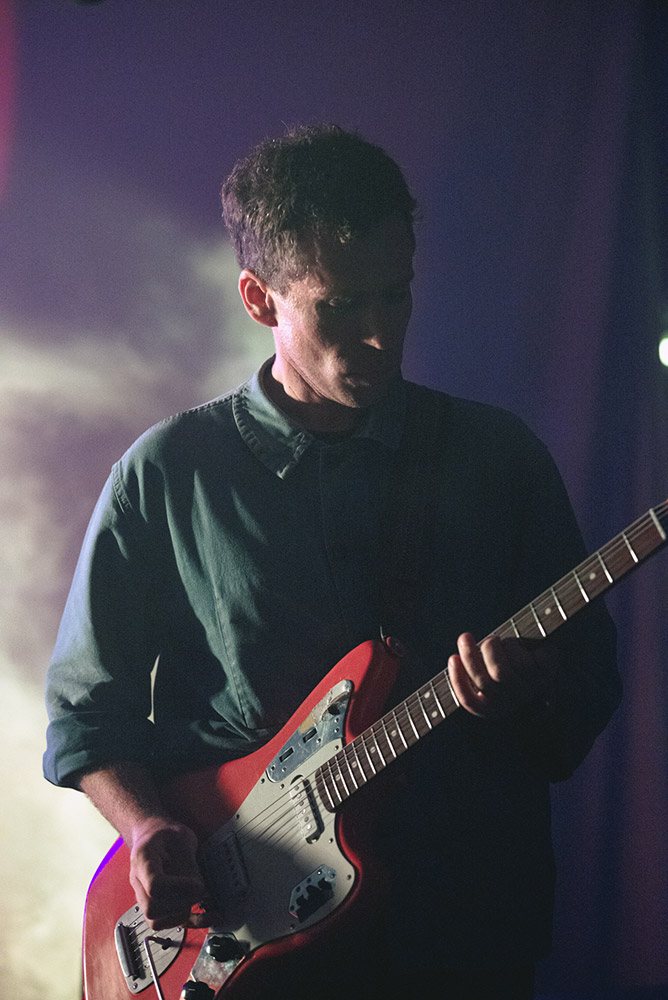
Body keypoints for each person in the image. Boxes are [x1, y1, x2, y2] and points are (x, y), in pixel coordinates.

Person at [44, 124, 620, 999]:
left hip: (460, 930)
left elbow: (589, 687)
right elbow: (87, 712)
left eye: (397, 296)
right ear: (259, 298)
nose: (383, 335)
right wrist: (149, 822)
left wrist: (531, 692)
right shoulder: (168, 474)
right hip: (253, 951)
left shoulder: (499, 459)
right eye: (342, 307)